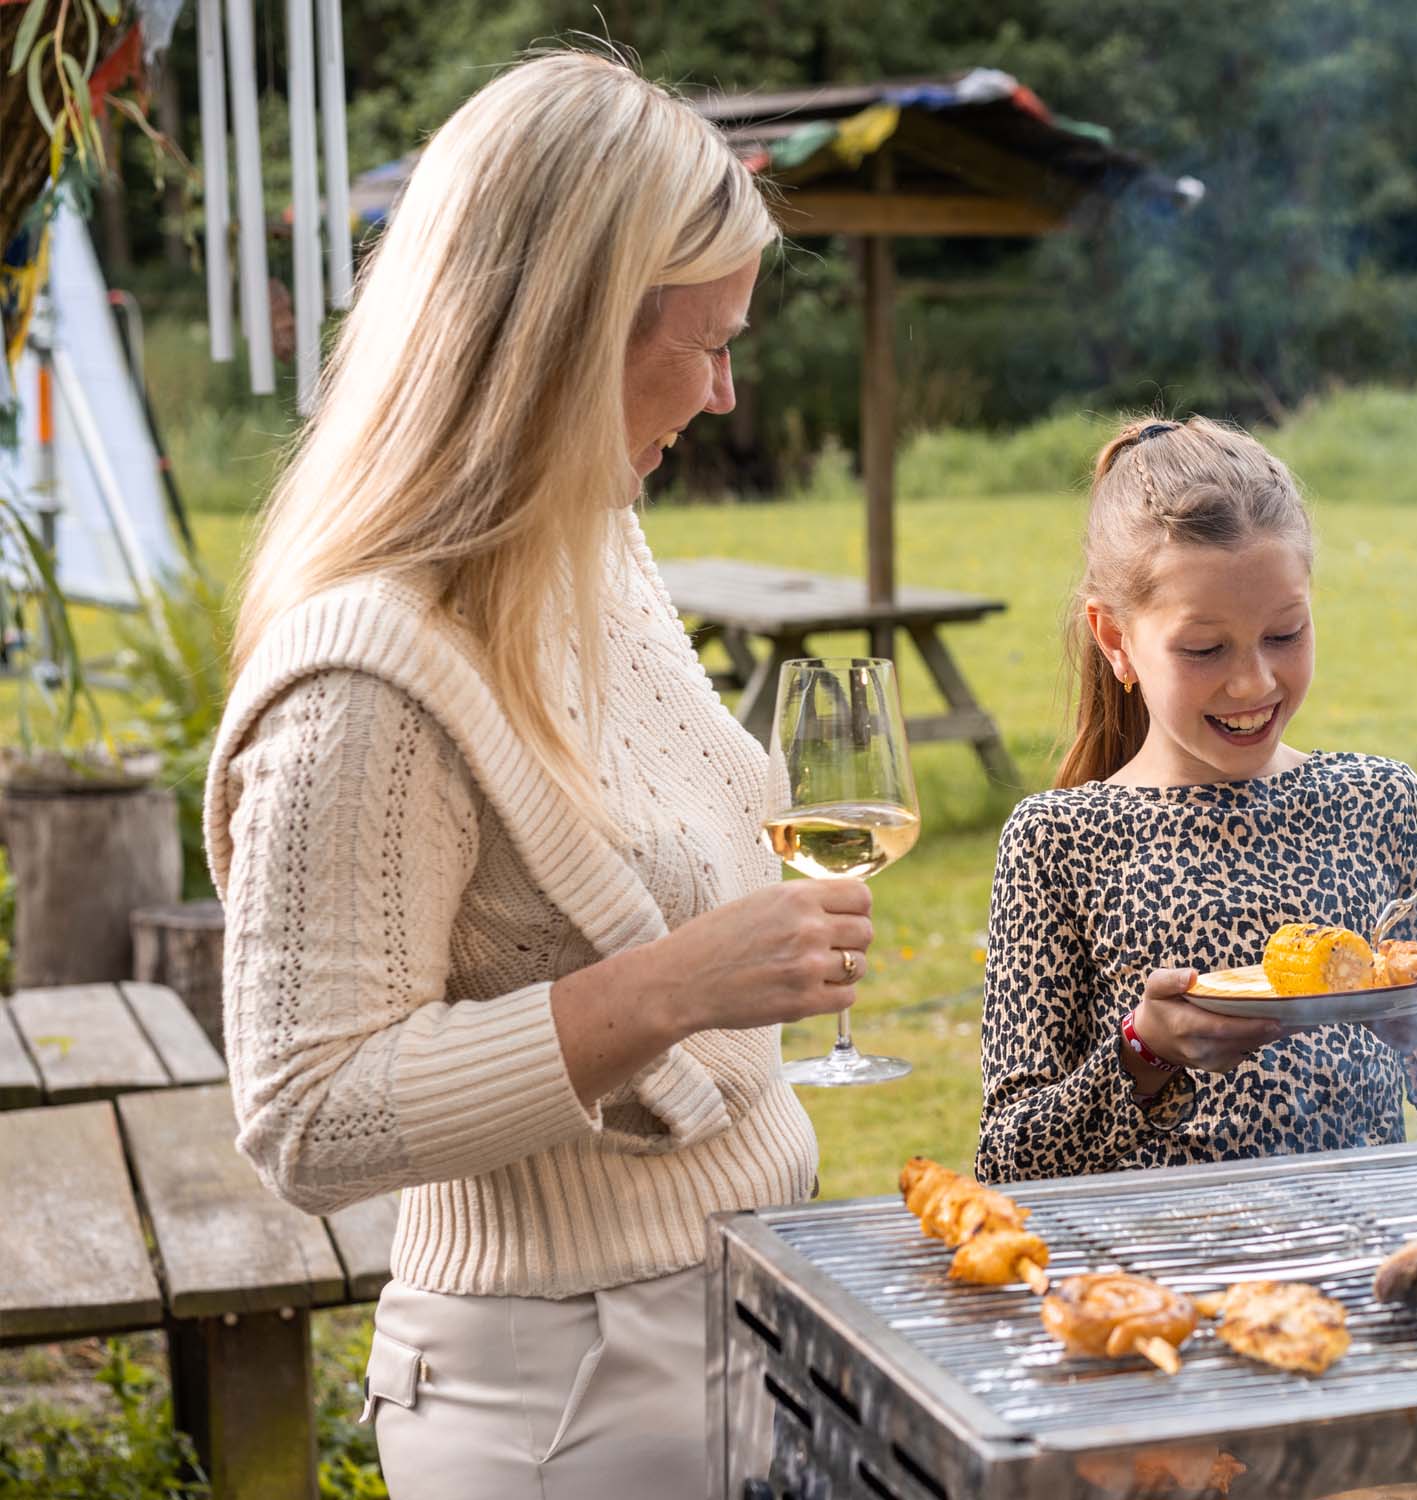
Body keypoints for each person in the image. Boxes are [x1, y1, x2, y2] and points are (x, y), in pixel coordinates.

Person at [206, 52, 868, 1498]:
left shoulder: (590, 549)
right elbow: (308, 1116)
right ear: (564, 340)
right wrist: (675, 990)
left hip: (738, 1327)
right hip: (570, 1395)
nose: (724, 390)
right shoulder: (367, 670)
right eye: (702, 344)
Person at [973, 415, 1417, 1184]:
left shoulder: (1380, 803)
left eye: (1285, 634)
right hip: (1153, 1272)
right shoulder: (1059, 840)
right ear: (1114, 641)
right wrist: (1143, 1054)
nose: (1254, 683)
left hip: (1360, 1253)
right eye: (1204, 649)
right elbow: (1006, 1161)